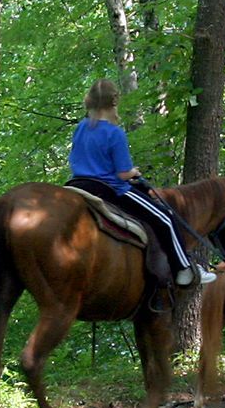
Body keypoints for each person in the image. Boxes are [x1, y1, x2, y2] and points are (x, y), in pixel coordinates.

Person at [67, 78, 215, 287]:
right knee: (165, 217)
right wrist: (134, 172)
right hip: (109, 189)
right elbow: (123, 174)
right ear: (114, 102)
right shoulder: (114, 133)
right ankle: (183, 270)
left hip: (77, 184)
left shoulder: (81, 127)